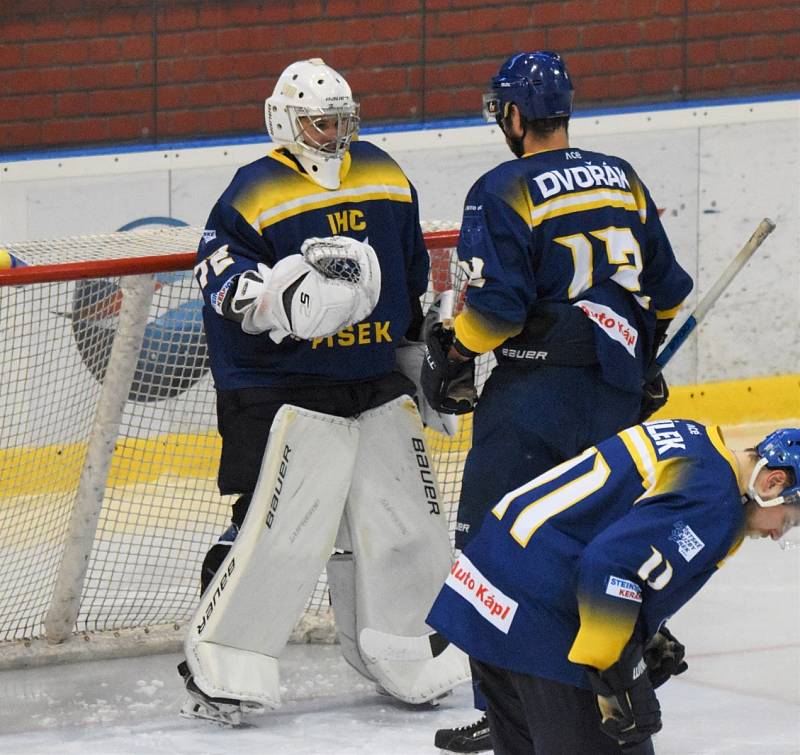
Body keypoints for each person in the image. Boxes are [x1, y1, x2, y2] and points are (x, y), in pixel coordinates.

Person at [178, 57, 468, 725]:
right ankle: (218, 667)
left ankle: (406, 650)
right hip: (276, 387)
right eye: (319, 121)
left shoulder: (385, 173)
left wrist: (420, 357)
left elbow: (410, 277)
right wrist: (284, 294)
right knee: (268, 534)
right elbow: (220, 278)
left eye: (342, 119)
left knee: (403, 530)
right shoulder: (251, 190)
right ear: (286, 120)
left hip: (369, 381)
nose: (334, 132)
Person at [421, 51, 694, 751]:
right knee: (597, 539)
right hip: (612, 394)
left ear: (513, 116)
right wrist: (639, 357)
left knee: (494, 547)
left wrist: (452, 355)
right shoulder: (621, 177)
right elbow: (668, 292)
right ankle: (626, 664)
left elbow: (496, 313)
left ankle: (503, 705)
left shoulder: (500, 188)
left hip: (534, 399)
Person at [427, 421, 800, 754]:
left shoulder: (695, 439)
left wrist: (642, 631)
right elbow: (608, 566)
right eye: (787, 521)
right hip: (540, 619)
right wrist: (620, 675)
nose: (775, 534)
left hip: (488, 587)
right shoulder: (715, 503)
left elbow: (614, 533)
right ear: (773, 482)